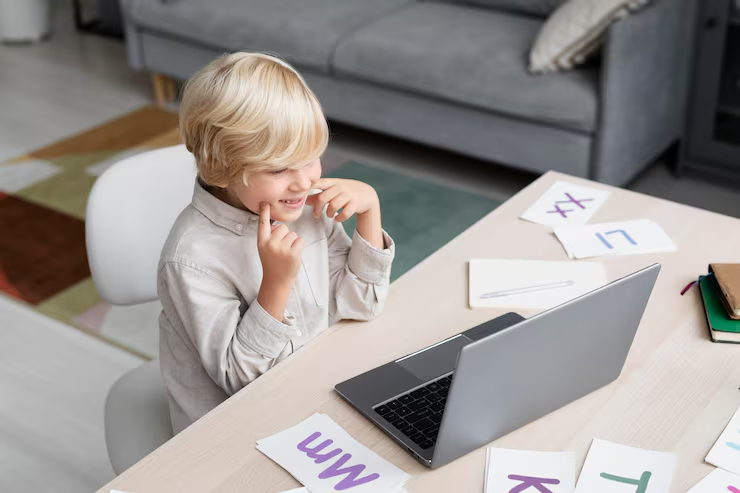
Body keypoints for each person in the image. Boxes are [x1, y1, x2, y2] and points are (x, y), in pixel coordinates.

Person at [157, 52, 395, 434]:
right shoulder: (191, 259)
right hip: (234, 433)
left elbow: (361, 304)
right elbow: (242, 382)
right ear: (220, 168)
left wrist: (370, 212)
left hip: (313, 399)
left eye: (311, 158)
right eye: (279, 169)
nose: (304, 182)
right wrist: (276, 283)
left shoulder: (303, 209)